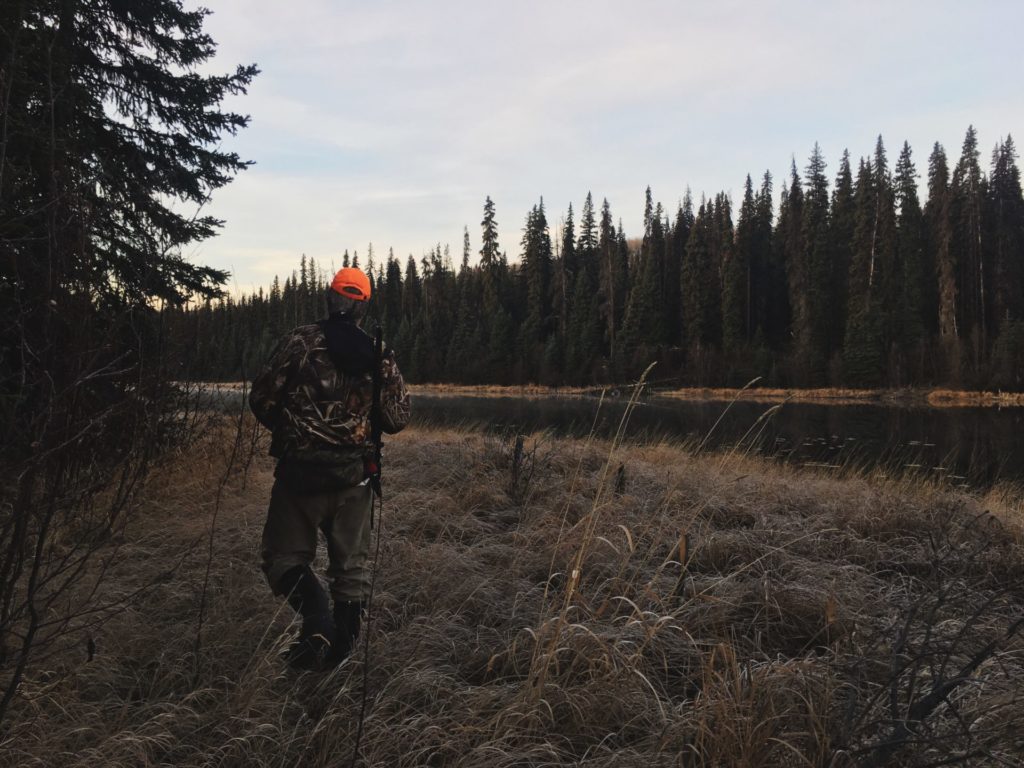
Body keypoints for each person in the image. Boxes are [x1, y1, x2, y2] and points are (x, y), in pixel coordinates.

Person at [249, 267, 410, 669]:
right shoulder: (378, 353)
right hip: (354, 478)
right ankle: (338, 662)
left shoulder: (299, 343)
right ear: (363, 304)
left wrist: (296, 433)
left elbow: (262, 400)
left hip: (299, 477)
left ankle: (317, 622)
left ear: (329, 297)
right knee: (351, 574)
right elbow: (397, 419)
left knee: (283, 560)